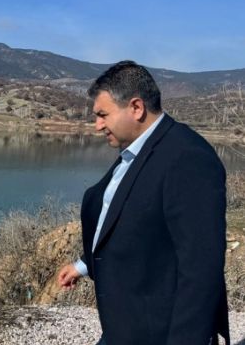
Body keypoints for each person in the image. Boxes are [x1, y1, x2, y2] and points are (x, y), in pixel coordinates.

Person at [56, 61, 229, 345]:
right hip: (124, 326)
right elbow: (128, 216)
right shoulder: (138, 150)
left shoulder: (188, 158)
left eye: (103, 115)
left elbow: (201, 270)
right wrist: (84, 264)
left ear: (136, 108)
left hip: (158, 332)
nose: (97, 125)